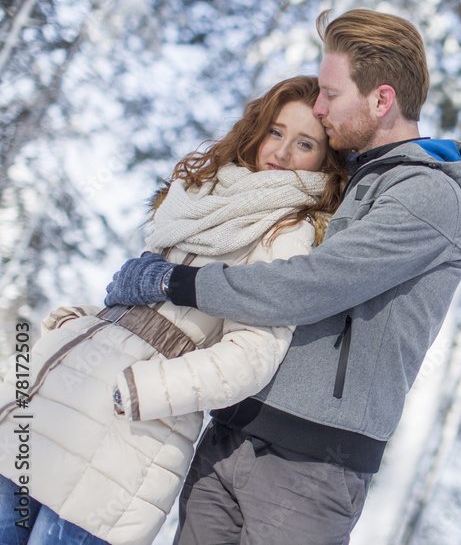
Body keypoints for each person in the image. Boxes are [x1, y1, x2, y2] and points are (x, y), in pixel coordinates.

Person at [103, 8, 461, 544]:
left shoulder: (427, 197)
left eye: (330, 94)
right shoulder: (345, 181)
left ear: (381, 100)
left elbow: (308, 285)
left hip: (312, 466)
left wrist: (174, 282)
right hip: (231, 432)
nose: (319, 107)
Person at [0, 75, 347, 545]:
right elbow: (149, 311)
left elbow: (251, 357)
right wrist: (76, 321)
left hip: (122, 446)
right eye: (275, 131)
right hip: (52, 406)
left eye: (304, 143)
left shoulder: (287, 230)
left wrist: (137, 390)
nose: (281, 153)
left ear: (325, 160)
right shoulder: (203, 196)